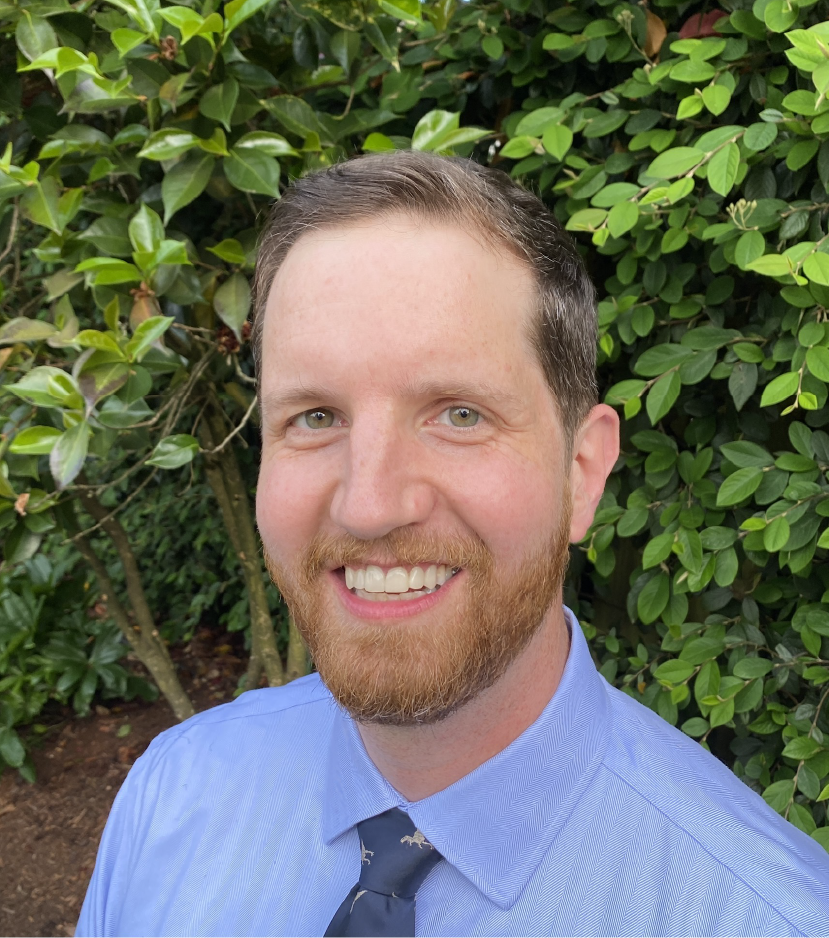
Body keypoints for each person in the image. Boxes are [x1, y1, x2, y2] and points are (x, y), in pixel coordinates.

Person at [77, 151, 829, 937]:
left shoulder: (764, 916)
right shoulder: (171, 797)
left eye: (458, 414)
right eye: (315, 417)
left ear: (582, 472)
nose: (369, 506)